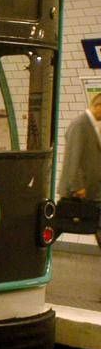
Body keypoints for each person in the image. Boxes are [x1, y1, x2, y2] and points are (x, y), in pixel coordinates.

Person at [58, 90, 101, 244]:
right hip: (80, 191)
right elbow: (72, 157)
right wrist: (77, 186)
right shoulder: (80, 124)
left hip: (92, 191)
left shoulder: (89, 125)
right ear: (98, 106)